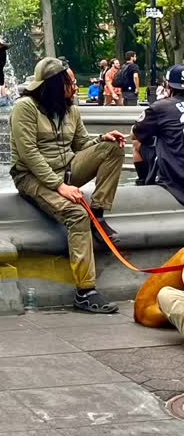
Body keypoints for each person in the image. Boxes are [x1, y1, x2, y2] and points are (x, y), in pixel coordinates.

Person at [10, 57, 126, 314]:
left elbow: (81, 144)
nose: (75, 88)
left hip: (67, 170)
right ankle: (85, 292)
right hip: (31, 177)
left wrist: (102, 139)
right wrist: (59, 186)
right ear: (53, 85)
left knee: (112, 148)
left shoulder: (70, 109)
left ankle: (98, 213)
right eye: (70, 83)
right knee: (76, 213)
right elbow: (29, 154)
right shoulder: (25, 108)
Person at [132, 63, 184, 206]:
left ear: (169, 86)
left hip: (177, 176)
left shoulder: (161, 107)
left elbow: (136, 134)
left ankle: (143, 183)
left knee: (137, 143)